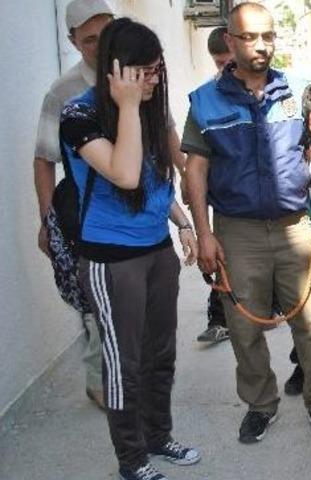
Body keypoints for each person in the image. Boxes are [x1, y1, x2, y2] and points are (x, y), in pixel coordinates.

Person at [181, 2, 311, 446]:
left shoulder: (297, 89)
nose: (261, 46)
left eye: (268, 36)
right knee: (244, 327)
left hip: (295, 226)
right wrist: (204, 233)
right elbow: (195, 171)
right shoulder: (205, 101)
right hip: (237, 232)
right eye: (250, 37)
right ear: (229, 41)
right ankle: (260, 405)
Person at [60, 18, 201, 480]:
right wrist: (125, 106)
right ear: (117, 70)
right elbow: (124, 174)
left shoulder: (148, 111)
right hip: (111, 260)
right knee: (125, 362)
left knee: (161, 354)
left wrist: (182, 222)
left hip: (157, 251)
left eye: (158, 69)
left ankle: (159, 437)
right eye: (145, 71)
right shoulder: (79, 116)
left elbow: (155, 183)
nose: (155, 79)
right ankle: (132, 459)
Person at [34, 0, 114, 412]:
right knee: (96, 301)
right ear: (72, 41)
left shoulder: (138, 73)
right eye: (89, 39)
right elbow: (44, 159)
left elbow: (165, 131)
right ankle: (99, 382)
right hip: (85, 215)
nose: (101, 45)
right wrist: (48, 222)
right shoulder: (62, 92)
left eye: (106, 33)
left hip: (134, 213)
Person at [196, 26, 232, 345]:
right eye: (219, 63)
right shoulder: (206, 97)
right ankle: (218, 319)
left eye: (228, 61)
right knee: (221, 259)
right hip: (222, 200)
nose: (225, 68)